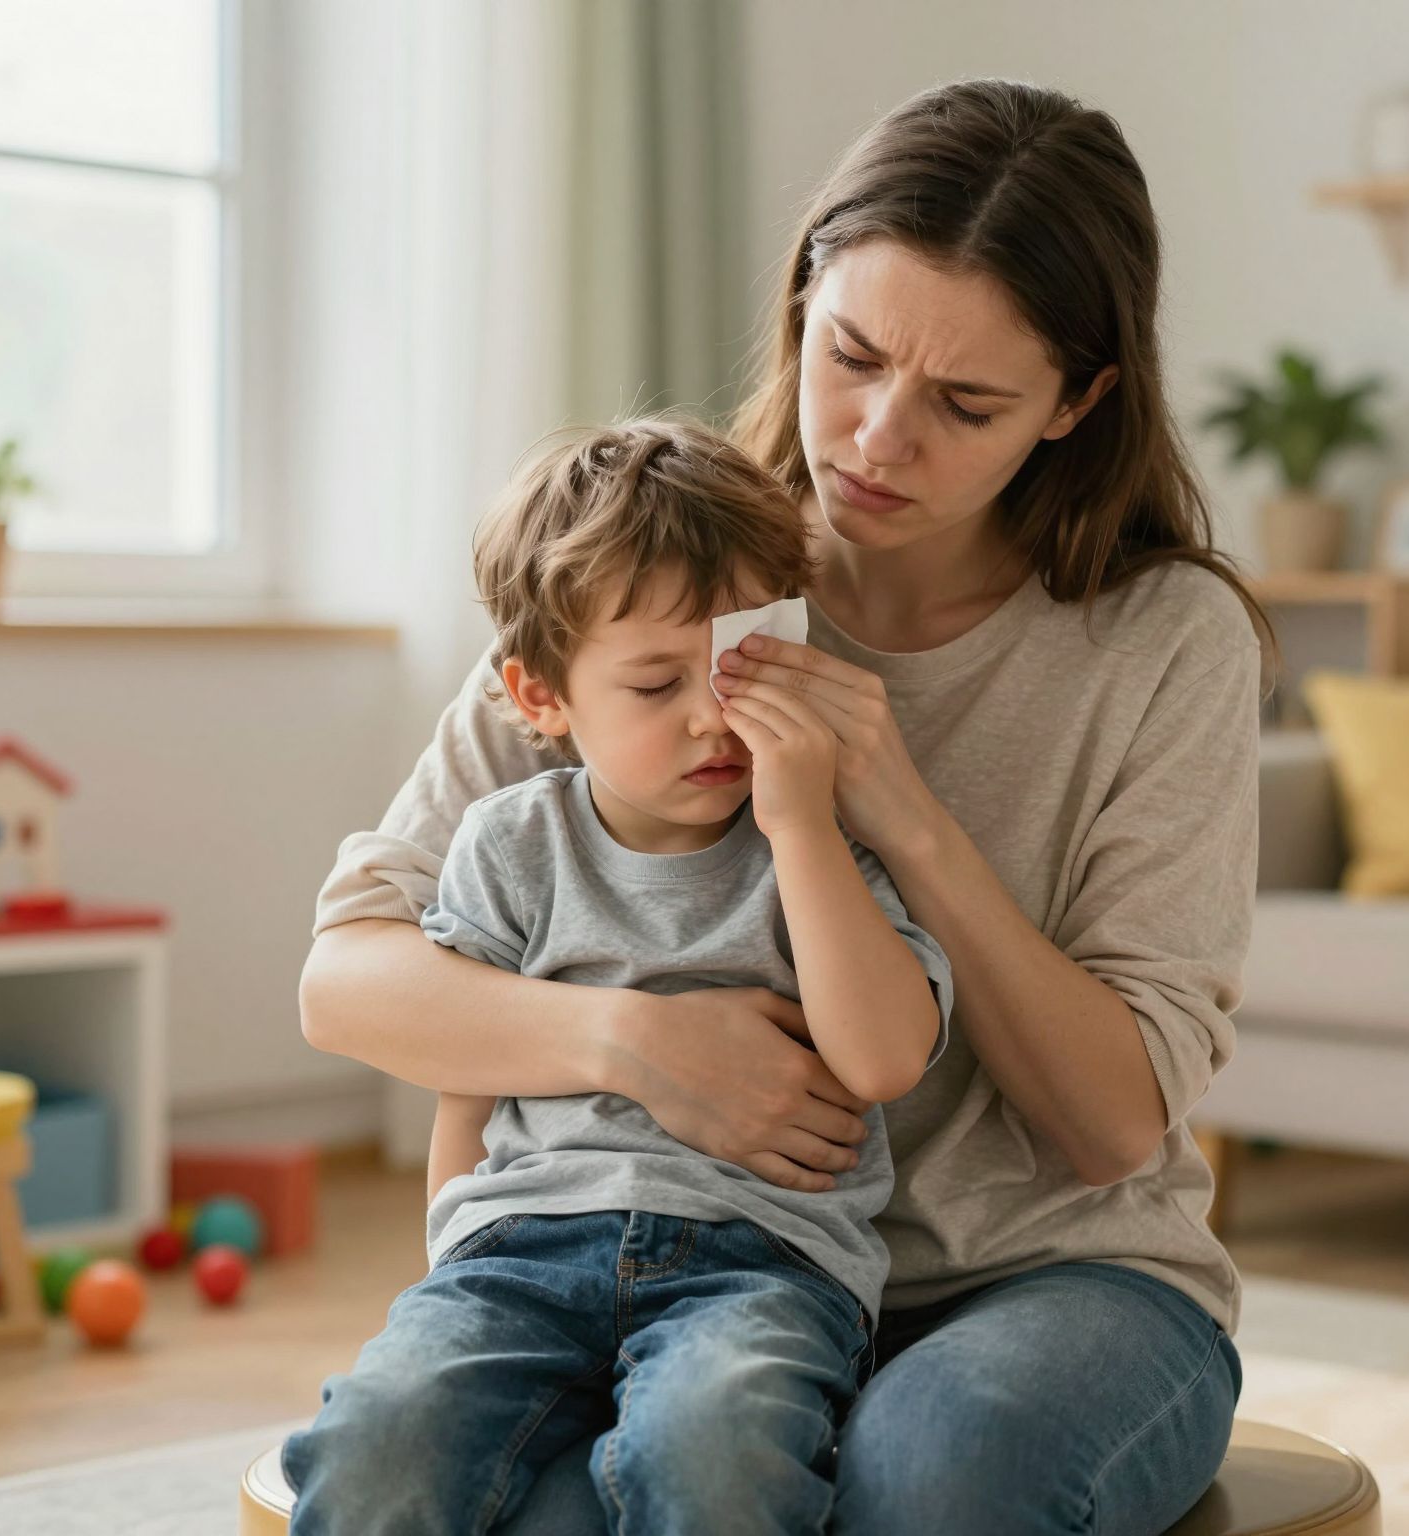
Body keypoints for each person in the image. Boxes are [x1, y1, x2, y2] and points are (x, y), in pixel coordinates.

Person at [301, 77, 1278, 1534]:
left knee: (929, 1481)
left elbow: (1112, 1129)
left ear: (1077, 403)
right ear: (804, 293)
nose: (879, 438)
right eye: (853, 356)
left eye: (964, 403)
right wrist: (641, 1046)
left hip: (1047, 1284)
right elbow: (350, 979)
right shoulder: (663, 561)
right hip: (675, 1269)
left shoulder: (1162, 642)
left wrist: (901, 816)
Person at [283, 419, 953, 1535]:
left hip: (762, 1269)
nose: (710, 716)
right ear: (541, 699)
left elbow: (884, 1058)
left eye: (740, 668)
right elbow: (467, 1071)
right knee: (376, 1437)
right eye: (653, 685)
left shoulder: (823, 849)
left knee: (719, 1449)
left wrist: (798, 824)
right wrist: (449, 1260)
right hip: (516, 1255)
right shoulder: (507, 844)